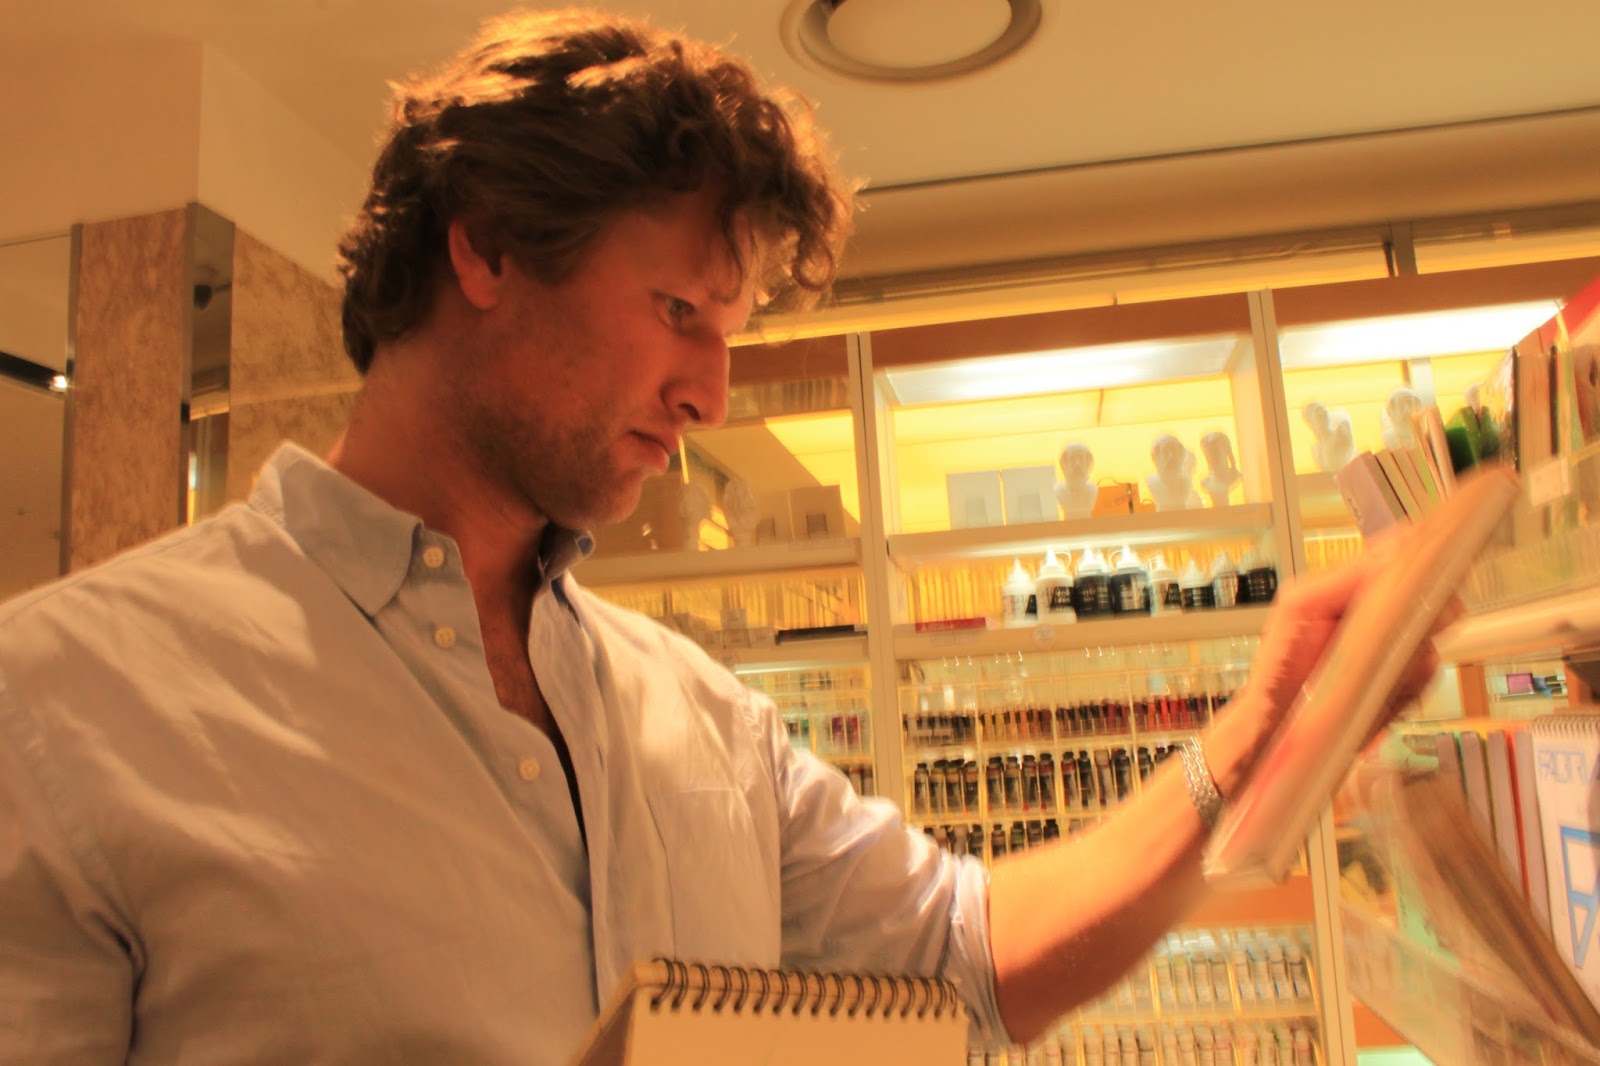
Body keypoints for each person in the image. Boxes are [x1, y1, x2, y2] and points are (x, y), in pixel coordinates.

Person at [0, 9, 1445, 1064]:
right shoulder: (60, 707)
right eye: (679, 311)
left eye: (729, 331)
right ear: (486, 244)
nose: (710, 395)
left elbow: (971, 951)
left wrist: (1264, 726)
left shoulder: (699, 718)